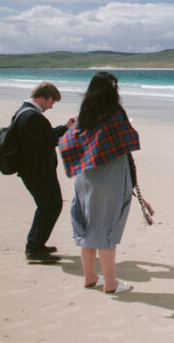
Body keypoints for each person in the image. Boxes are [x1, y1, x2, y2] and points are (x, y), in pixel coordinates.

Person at [58, 72, 139, 293]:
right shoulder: (114, 113)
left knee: (87, 226)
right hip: (109, 175)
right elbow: (126, 138)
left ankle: (90, 276)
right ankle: (110, 283)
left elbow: (68, 139)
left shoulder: (85, 114)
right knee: (106, 228)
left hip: (85, 176)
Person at [15, 81, 75, 262]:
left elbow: (45, 135)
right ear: (42, 98)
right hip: (38, 171)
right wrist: (66, 131)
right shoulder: (32, 116)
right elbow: (49, 140)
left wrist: (65, 128)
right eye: (51, 101)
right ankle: (34, 248)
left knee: (46, 206)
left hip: (32, 169)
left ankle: (36, 244)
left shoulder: (25, 112)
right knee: (51, 206)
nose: (51, 106)